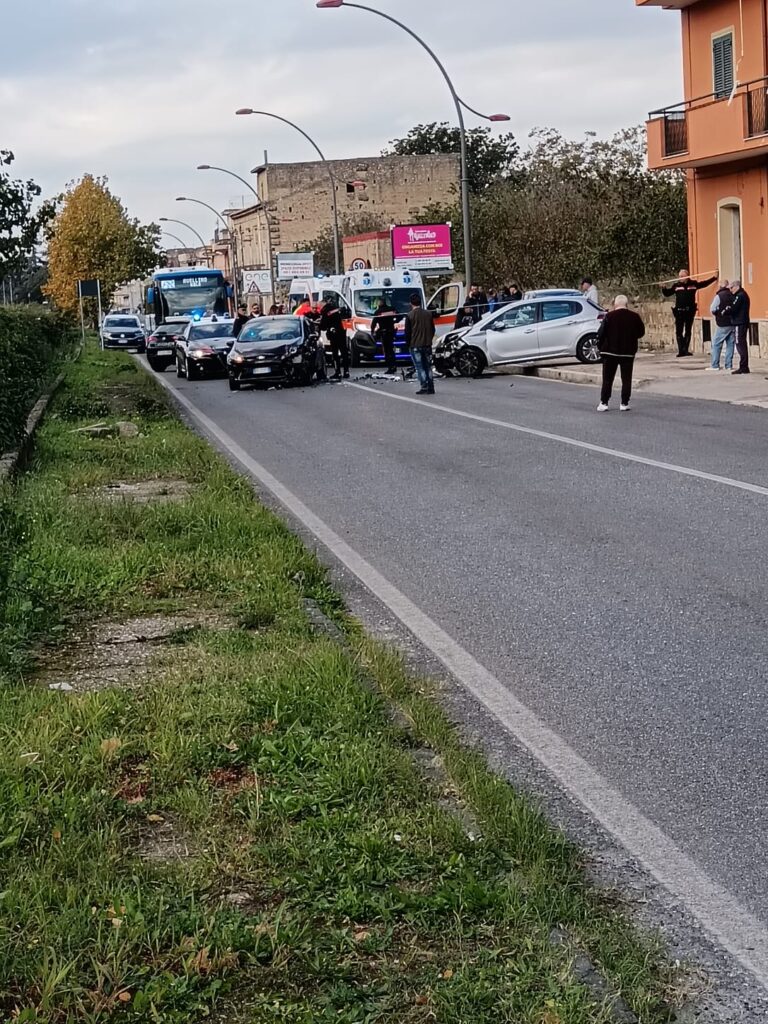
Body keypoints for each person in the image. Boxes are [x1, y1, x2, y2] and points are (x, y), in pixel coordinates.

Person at [596, 295, 645, 413]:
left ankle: (604, 402)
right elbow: (641, 332)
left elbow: (601, 333)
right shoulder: (634, 317)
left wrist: (600, 347)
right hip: (627, 353)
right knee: (626, 379)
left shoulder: (609, 316)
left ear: (615, 304)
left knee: (607, 379)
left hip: (609, 352)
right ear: (626, 304)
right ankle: (624, 403)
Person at [662, 268, 717, 357]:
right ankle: (681, 351)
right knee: (679, 331)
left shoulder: (693, 284)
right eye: (679, 276)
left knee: (688, 330)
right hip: (679, 312)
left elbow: (704, 284)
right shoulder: (676, 286)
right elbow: (667, 294)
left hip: (689, 311)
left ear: (687, 276)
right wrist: (663, 288)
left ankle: (686, 350)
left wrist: (714, 278)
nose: (681, 278)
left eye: (682, 276)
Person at [404, 292, 436, 395]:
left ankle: (424, 386)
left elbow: (407, 332)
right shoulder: (428, 314)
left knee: (420, 367)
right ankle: (431, 387)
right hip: (427, 344)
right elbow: (432, 329)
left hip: (415, 345)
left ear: (411, 303)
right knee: (428, 366)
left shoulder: (409, 316)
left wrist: (408, 344)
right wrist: (429, 338)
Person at [319, 297, 349, 379]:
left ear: (323, 304)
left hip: (333, 335)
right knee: (344, 352)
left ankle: (338, 372)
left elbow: (323, 326)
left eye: (320, 305)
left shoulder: (325, 311)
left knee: (335, 354)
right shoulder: (336, 308)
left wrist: (319, 325)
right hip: (342, 332)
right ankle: (346, 371)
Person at [708, 279, 734, 371]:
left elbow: (712, 309)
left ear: (720, 286)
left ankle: (715, 365)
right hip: (732, 323)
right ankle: (729, 365)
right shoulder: (733, 295)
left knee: (716, 343)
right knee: (730, 344)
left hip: (722, 323)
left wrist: (717, 313)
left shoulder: (719, 296)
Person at [371, 297, 399, 374]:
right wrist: (395, 321)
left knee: (386, 351)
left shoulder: (378, 312)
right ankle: (394, 366)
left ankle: (390, 367)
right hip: (391, 332)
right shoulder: (392, 309)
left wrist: (372, 332)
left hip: (384, 333)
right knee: (391, 350)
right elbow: (400, 316)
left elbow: (373, 324)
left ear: (379, 303)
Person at [729, 280, 751, 374]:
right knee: (741, 344)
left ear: (737, 286)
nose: (730, 290)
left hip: (740, 322)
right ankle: (744, 366)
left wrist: (727, 310)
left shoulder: (740, 295)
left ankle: (743, 366)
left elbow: (734, 308)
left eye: (731, 287)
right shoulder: (742, 295)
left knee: (740, 344)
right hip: (742, 322)